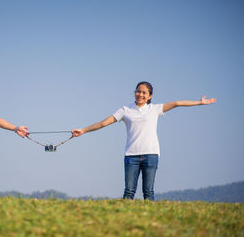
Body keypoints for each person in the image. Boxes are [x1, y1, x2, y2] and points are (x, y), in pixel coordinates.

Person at [71, 81, 216, 201]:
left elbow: (177, 103)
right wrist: (83, 130)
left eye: (144, 92)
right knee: (128, 192)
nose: (140, 94)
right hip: (131, 156)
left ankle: (149, 221)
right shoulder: (125, 110)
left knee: (148, 192)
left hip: (151, 154)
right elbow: (103, 123)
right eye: (138, 91)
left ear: (150, 96)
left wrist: (200, 103)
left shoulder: (155, 109)